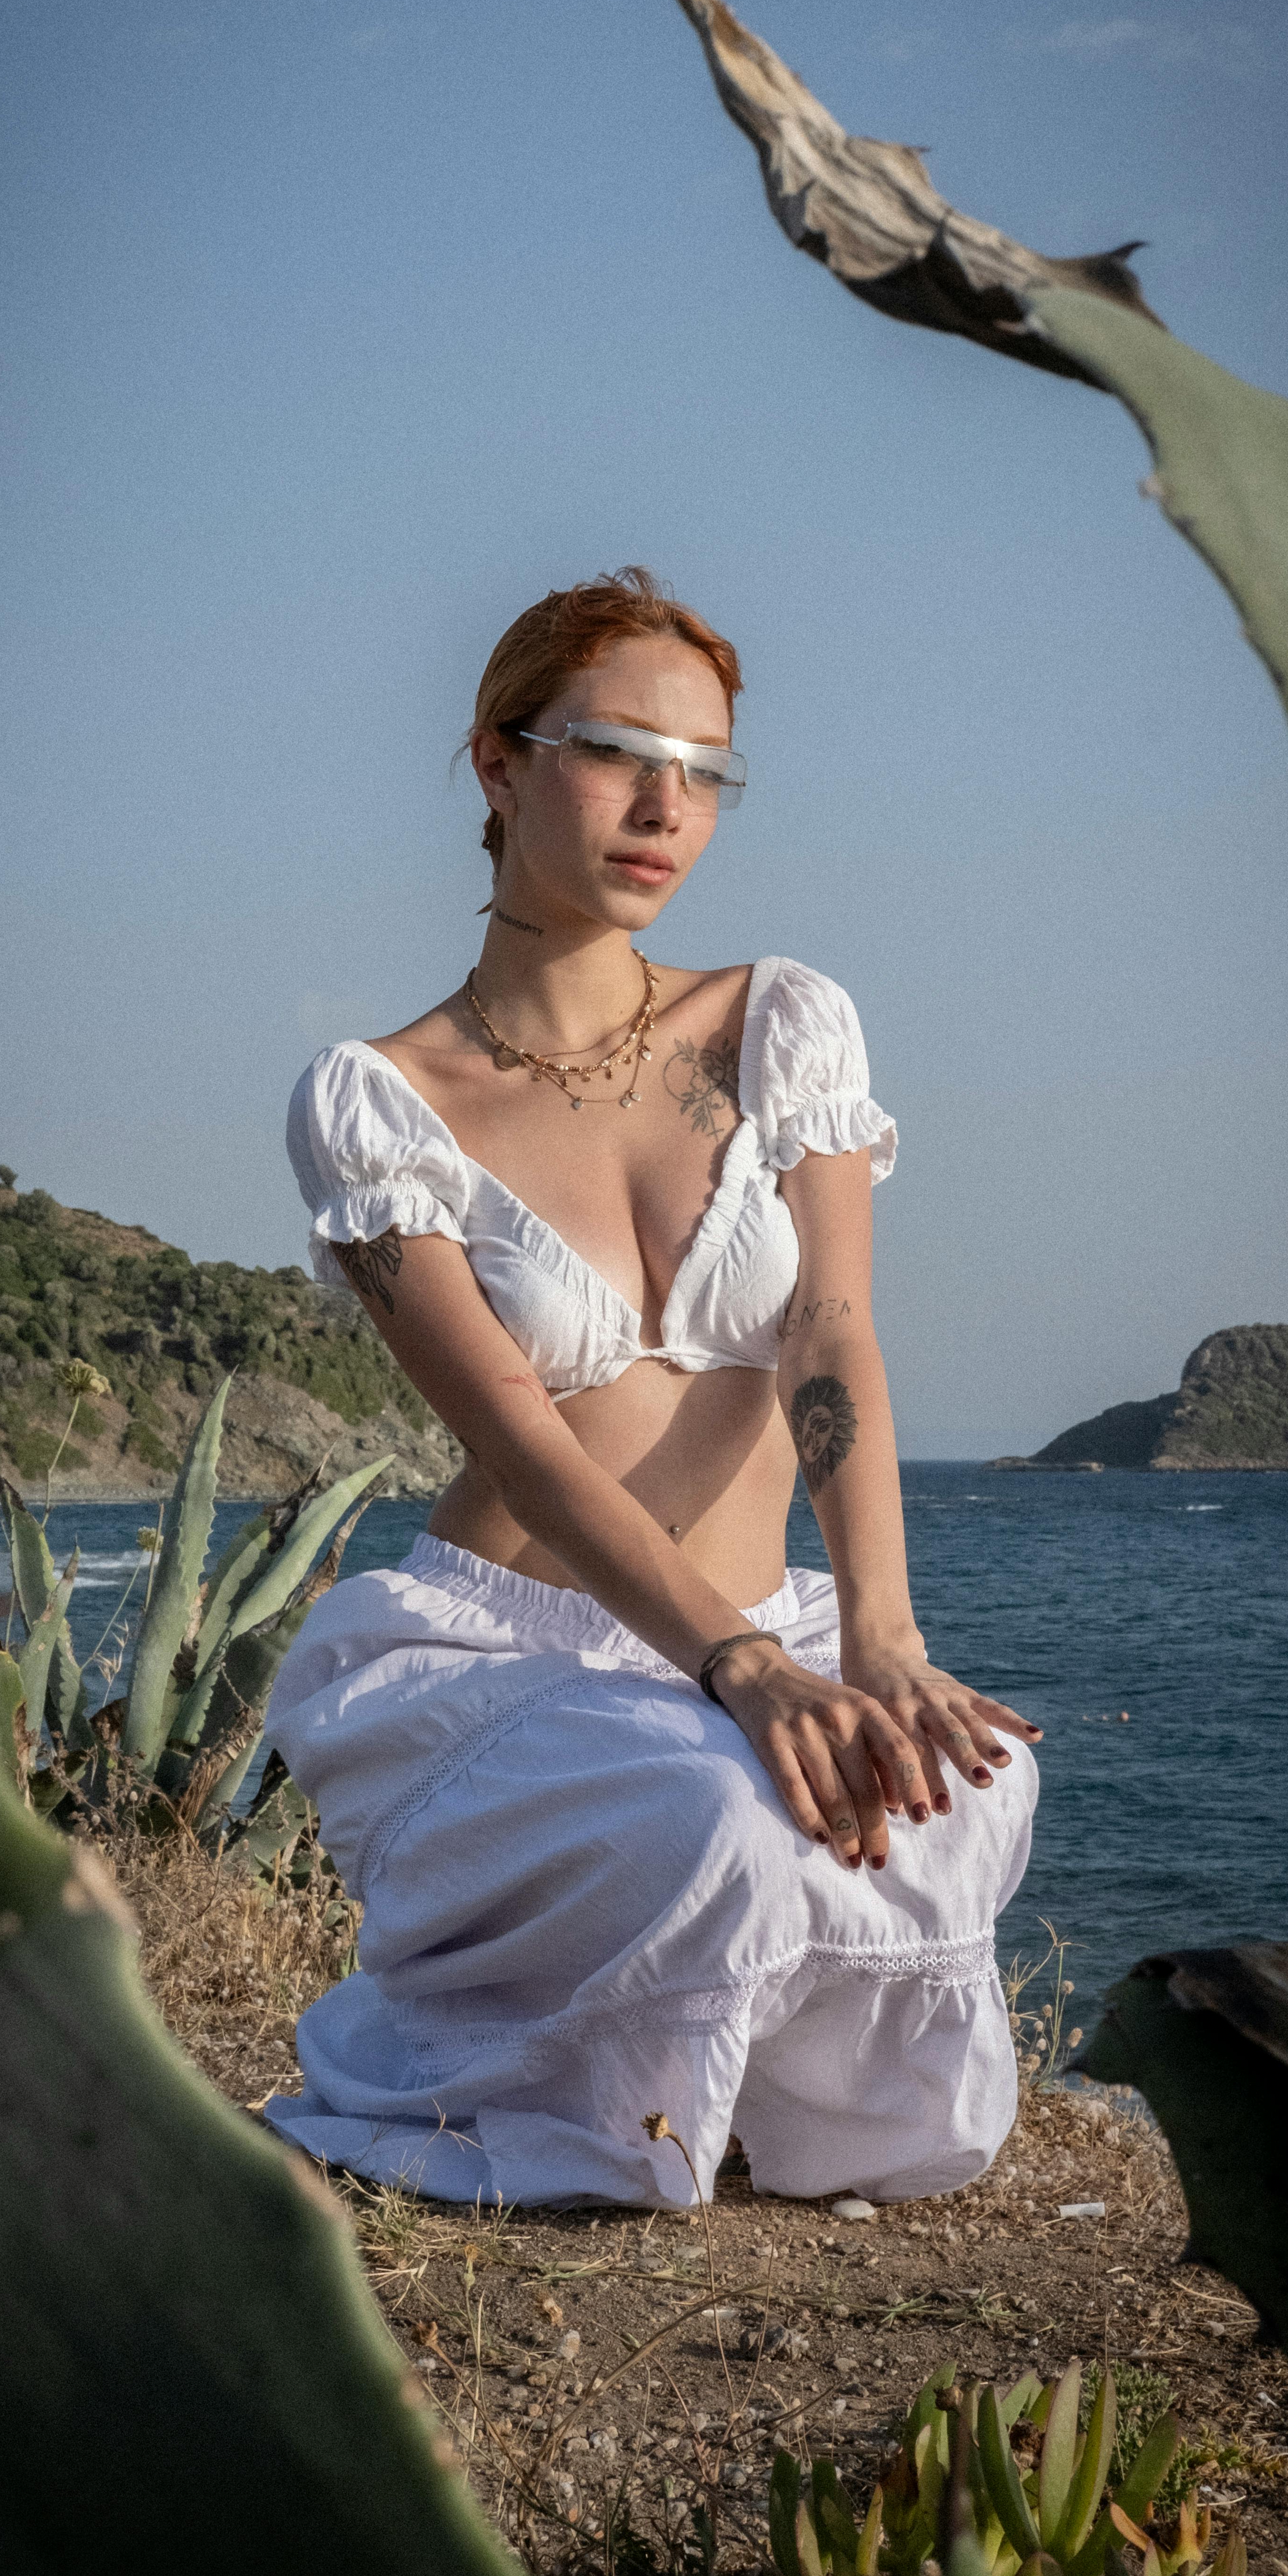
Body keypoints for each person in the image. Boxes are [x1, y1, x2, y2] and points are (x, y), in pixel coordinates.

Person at [264, 570, 1040, 2210]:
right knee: (720, 1810)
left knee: (970, 1772)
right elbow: (526, 1447)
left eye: (705, 772)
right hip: (511, 1653)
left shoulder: (780, 1025)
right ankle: (538, 2079)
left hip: (774, 1621)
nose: (665, 807)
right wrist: (741, 1669)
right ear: (497, 762)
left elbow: (831, 1338)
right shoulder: (381, 1102)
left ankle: (766, 2086)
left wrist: (880, 1643)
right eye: (618, 753)